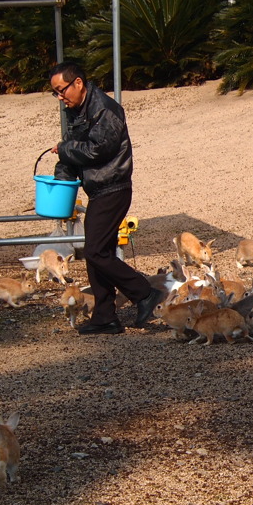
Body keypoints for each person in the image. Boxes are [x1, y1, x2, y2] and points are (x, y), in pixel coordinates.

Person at [49, 61, 163, 334]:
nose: (60, 97)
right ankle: (105, 316)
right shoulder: (78, 111)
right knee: (97, 253)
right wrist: (60, 184)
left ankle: (144, 293)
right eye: (55, 93)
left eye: (61, 90)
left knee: (96, 252)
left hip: (114, 188)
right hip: (99, 189)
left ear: (78, 83)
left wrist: (64, 149)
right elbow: (73, 152)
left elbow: (97, 150)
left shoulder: (106, 110)